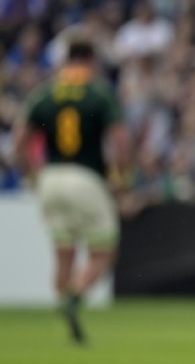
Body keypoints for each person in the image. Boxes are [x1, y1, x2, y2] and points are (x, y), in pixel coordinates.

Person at [12, 35, 131, 344]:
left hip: (50, 177)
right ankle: (74, 297)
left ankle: (66, 319)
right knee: (102, 253)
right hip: (86, 177)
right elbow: (120, 140)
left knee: (63, 255)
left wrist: (30, 175)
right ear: (91, 59)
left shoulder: (43, 93)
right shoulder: (100, 94)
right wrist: (121, 176)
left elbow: (19, 140)